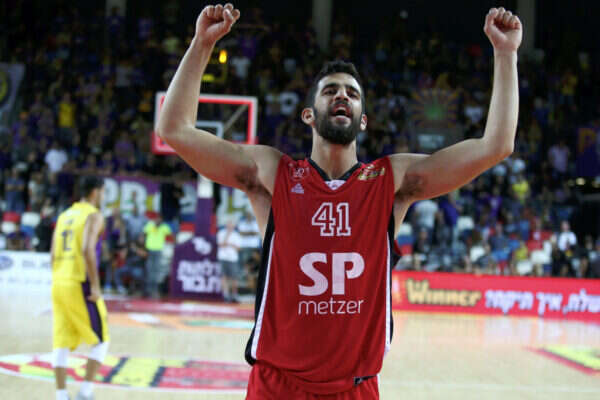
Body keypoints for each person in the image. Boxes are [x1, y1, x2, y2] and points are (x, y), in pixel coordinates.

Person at [157, 4, 521, 399]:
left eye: (352, 93)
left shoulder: (392, 181)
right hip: (277, 386)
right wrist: (201, 43)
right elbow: (174, 129)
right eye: (330, 91)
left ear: (363, 119)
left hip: (355, 388)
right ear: (309, 115)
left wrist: (506, 54)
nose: (342, 95)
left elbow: (496, 145)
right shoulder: (273, 174)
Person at [50, 176, 109, 400]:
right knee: (102, 340)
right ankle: (85, 392)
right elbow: (87, 249)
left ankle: (61, 395)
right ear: (95, 192)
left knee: (61, 341)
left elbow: (52, 254)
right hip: (79, 282)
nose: (103, 196)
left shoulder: (64, 215)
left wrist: (58, 278)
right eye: (103, 192)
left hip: (59, 282)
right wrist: (95, 285)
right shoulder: (93, 215)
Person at [142, 214, 172, 298]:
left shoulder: (164, 227)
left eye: (159, 219)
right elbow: (143, 234)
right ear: (154, 219)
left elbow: (171, 234)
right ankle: (148, 290)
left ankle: (155, 290)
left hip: (158, 250)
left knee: (156, 271)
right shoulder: (150, 225)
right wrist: (144, 247)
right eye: (156, 219)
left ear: (161, 220)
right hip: (150, 250)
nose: (158, 220)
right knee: (149, 270)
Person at [217, 218, 243, 302]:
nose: (230, 226)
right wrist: (227, 235)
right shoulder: (221, 233)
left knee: (234, 277)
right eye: (228, 224)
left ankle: (234, 294)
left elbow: (239, 248)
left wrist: (230, 244)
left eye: (231, 224)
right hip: (223, 257)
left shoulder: (237, 235)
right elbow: (220, 244)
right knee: (224, 276)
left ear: (234, 226)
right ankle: (226, 294)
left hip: (232, 258)